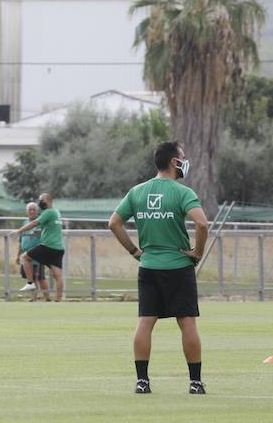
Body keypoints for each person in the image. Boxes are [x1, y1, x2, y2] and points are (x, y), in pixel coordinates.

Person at [108, 140, 209, 396]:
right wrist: (197, 252)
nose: (185, 162)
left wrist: (134, 251)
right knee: (187, 323)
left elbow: (114, 223)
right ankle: (195, 383)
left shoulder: (137, 192)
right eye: (182, 158)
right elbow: (202, 224)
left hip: (149, 266)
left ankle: (142, 382)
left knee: (145, 322)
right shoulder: (182, 192)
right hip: (178, 267)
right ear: (175, 162)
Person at [12, 193, 65, 302]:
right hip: (59, 248)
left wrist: (19, 231)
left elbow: (35, 223)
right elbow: (41, 226)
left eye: (42, 200)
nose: (40, 202)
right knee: (57, 275)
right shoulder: (56, 212)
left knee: (25, 258)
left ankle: (30, 283)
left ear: (48, 201)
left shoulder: (49, 212)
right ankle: (58, 300)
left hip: (48, 246)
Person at [17, 201, 50, 302]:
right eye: (29, 210)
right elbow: (21, 240)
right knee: (30, 278)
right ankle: (33, 297)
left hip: (37, 254)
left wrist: (34, 233)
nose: (31, 211)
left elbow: (42, 233)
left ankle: (47, 298)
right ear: (26, 211)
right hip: (25, 255)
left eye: (33, 209)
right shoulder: (25, 223)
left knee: (40, 277)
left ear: (37, 211)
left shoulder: (40, 222)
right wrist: (18, 255)